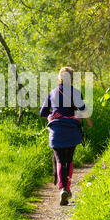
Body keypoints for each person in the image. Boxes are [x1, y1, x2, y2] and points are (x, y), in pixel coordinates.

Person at [40, 67, 93, 206]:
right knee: (68, 160)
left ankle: (62, 188)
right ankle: (66, 188)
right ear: (72, 79)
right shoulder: (76, 93)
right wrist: (88, 122)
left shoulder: (52, 93)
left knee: (59, 160)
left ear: (60, 78)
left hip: (56, 131)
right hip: (71, 129)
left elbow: (43, 112)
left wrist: (52, 116)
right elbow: (82, 110)